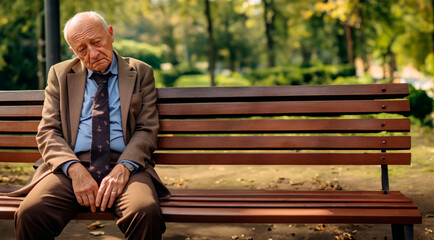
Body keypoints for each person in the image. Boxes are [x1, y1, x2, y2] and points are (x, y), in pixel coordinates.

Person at [13, 11, 169, 240]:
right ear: (73, 51)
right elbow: (48, 131)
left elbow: (146, 129)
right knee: (30, 213)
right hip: (70, 166)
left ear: (111, 34)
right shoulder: (60, 74)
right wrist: (74, 169)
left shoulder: (140, 72)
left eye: (97, 42)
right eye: (82, 49)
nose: (93, 53)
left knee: (144, 212)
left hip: (125, 164)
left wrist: (123, 168)